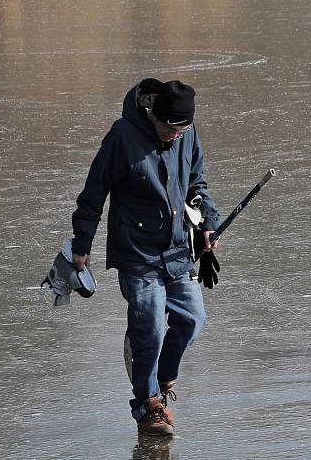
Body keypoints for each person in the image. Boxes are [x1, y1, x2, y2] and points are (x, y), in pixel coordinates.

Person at [70, 78, 221, 435]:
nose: (175, 135)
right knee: (149, 328)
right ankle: (148, 406)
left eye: (181, 129)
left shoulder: (187, 134)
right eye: (169, 127)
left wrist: (206, 225)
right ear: (154, 114)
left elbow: (197, 184)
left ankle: (163, 381)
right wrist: (82, 246)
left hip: (177, 249)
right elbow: (94, 191)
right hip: (137, 252)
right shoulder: (123, 136)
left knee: (193, 319)